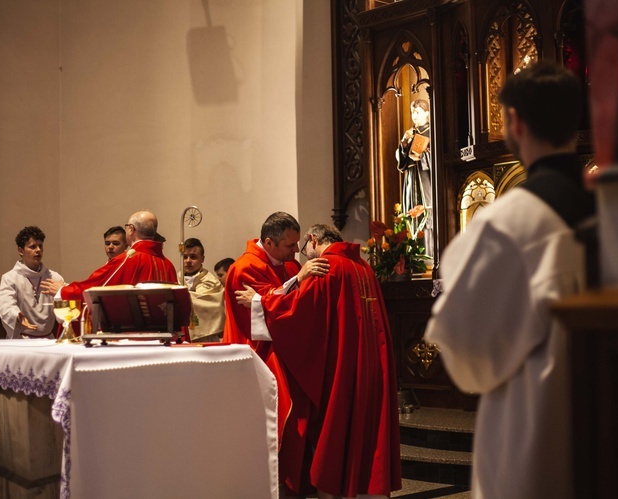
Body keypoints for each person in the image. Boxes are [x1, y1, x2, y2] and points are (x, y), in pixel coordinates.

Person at [424, 62, 595, 499]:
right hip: (615, 425)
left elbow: (467, 354)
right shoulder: (613, 208)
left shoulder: (509, 223)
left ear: (514, 122)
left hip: (535, 433)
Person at [236, 224, 401, 499]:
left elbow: (297, 314)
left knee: (336, 429)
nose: (303, 257)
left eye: (303, 249)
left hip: (341, 369)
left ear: (313, 240)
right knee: (368, 428)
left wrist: (258, 303)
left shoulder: (325, 267)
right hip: (371, 366)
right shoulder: (363, 267)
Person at [223, 211, 329, 494]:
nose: (296, 251)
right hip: (258, 358)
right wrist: (295, 283)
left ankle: (301, 482)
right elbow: (262, 319)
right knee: (281, 423)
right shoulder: (244, 268)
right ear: (268, 242)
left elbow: (293, 306)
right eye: (289, 245)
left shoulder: (290, 265)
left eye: (296, 244)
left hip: (288, 353)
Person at [41, 211, 178, 301]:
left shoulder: (128, 259)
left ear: (131, 229)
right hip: (163, 339)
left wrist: (63, 291)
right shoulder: (167, 265)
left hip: (134, 338)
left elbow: (96, 288)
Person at [0, 226, 64, 339]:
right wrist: (17, 315)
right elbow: (5, 304)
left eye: (40, 246)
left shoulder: (53, 277)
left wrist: (62, 291)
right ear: (20, 251)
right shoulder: (10, 278)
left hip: (48, 339)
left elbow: (68, 303)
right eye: (32, 247)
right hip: (22, 340)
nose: (38, 250)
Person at [396, 99, 433, 256]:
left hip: (425, 177)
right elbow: (401, 160)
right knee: (410, 212)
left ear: (426, 113)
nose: (414, 116)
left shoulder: (432, 131)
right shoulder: (410, 133)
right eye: (412, 112)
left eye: (417, 112)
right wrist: (404, 144)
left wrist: (423, 156)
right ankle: (412, 254)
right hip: (411, 178)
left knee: (425, 212)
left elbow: (438, 157)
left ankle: (428, 253)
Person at [179, 238, 225, 342]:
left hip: (205, 336)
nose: (188, 261)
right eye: (185, 257)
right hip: (181, 336)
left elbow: (208, 305)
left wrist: (179, 296)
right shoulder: (176, 279)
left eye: (193, 257)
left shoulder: (211, 282)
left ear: (202, 259)